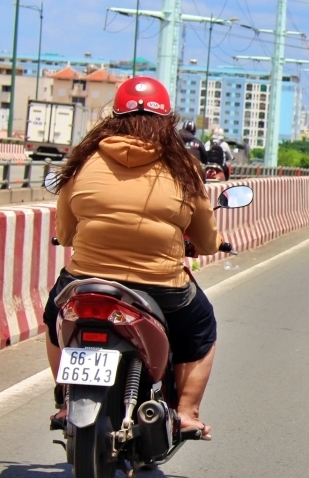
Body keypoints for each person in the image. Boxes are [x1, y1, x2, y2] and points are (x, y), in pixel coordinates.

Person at [44, 76, 224, 440]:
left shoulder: (82, 161)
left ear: (115, 116)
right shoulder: (184, 168)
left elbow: (65, 231)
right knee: (202, 329)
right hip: (160, 286)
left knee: (54, 318)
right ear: (167, 120)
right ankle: (187, 412)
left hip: (86, 279)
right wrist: (211, 244)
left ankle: (66, 399)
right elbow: (205, 239)